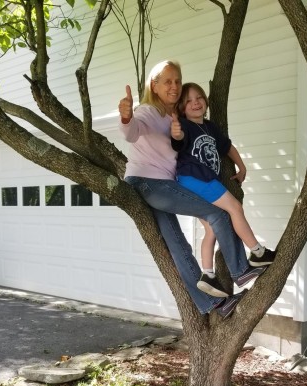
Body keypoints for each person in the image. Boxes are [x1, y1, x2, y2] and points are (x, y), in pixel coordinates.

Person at [118, 60, 264, 319]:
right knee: (217, 214)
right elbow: (132, 132)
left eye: (177, 81)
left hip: (162, 185)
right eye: (167, 81)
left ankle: (213, 304)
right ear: (154, 85)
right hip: (147, 183)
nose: (174, 86)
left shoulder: (178, 117)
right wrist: (126, 116)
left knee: (179, 247)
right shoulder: (148, 111)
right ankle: (241, 270)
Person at [171, 82, 275, 297]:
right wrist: (177, 133)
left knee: (211, 228)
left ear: (206, 101)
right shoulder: (183, 125)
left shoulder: (210, 127)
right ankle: (257, 252)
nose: (195, 103)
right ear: (182, 108)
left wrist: (242, 165)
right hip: (196, 178)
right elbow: (178, 141)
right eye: (188, 101)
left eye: (199, 97)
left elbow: (227, 147)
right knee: (235, 207)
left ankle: (208, 275)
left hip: (195, 182)